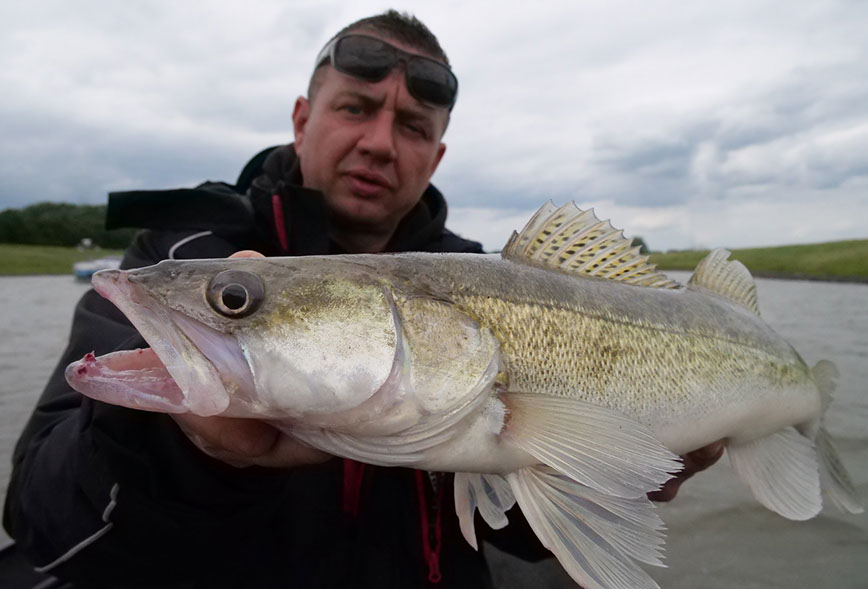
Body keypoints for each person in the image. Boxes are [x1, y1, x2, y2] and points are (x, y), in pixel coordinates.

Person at [3, 10, 722, 588]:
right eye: (356, 108)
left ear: (437, 155)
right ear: (301, 119)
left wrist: (623, 479)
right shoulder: (181, 254)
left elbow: (515, 532)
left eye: (413, 127)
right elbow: (41, 520)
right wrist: (188, 450)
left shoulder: (490, 275)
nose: (380, 142)